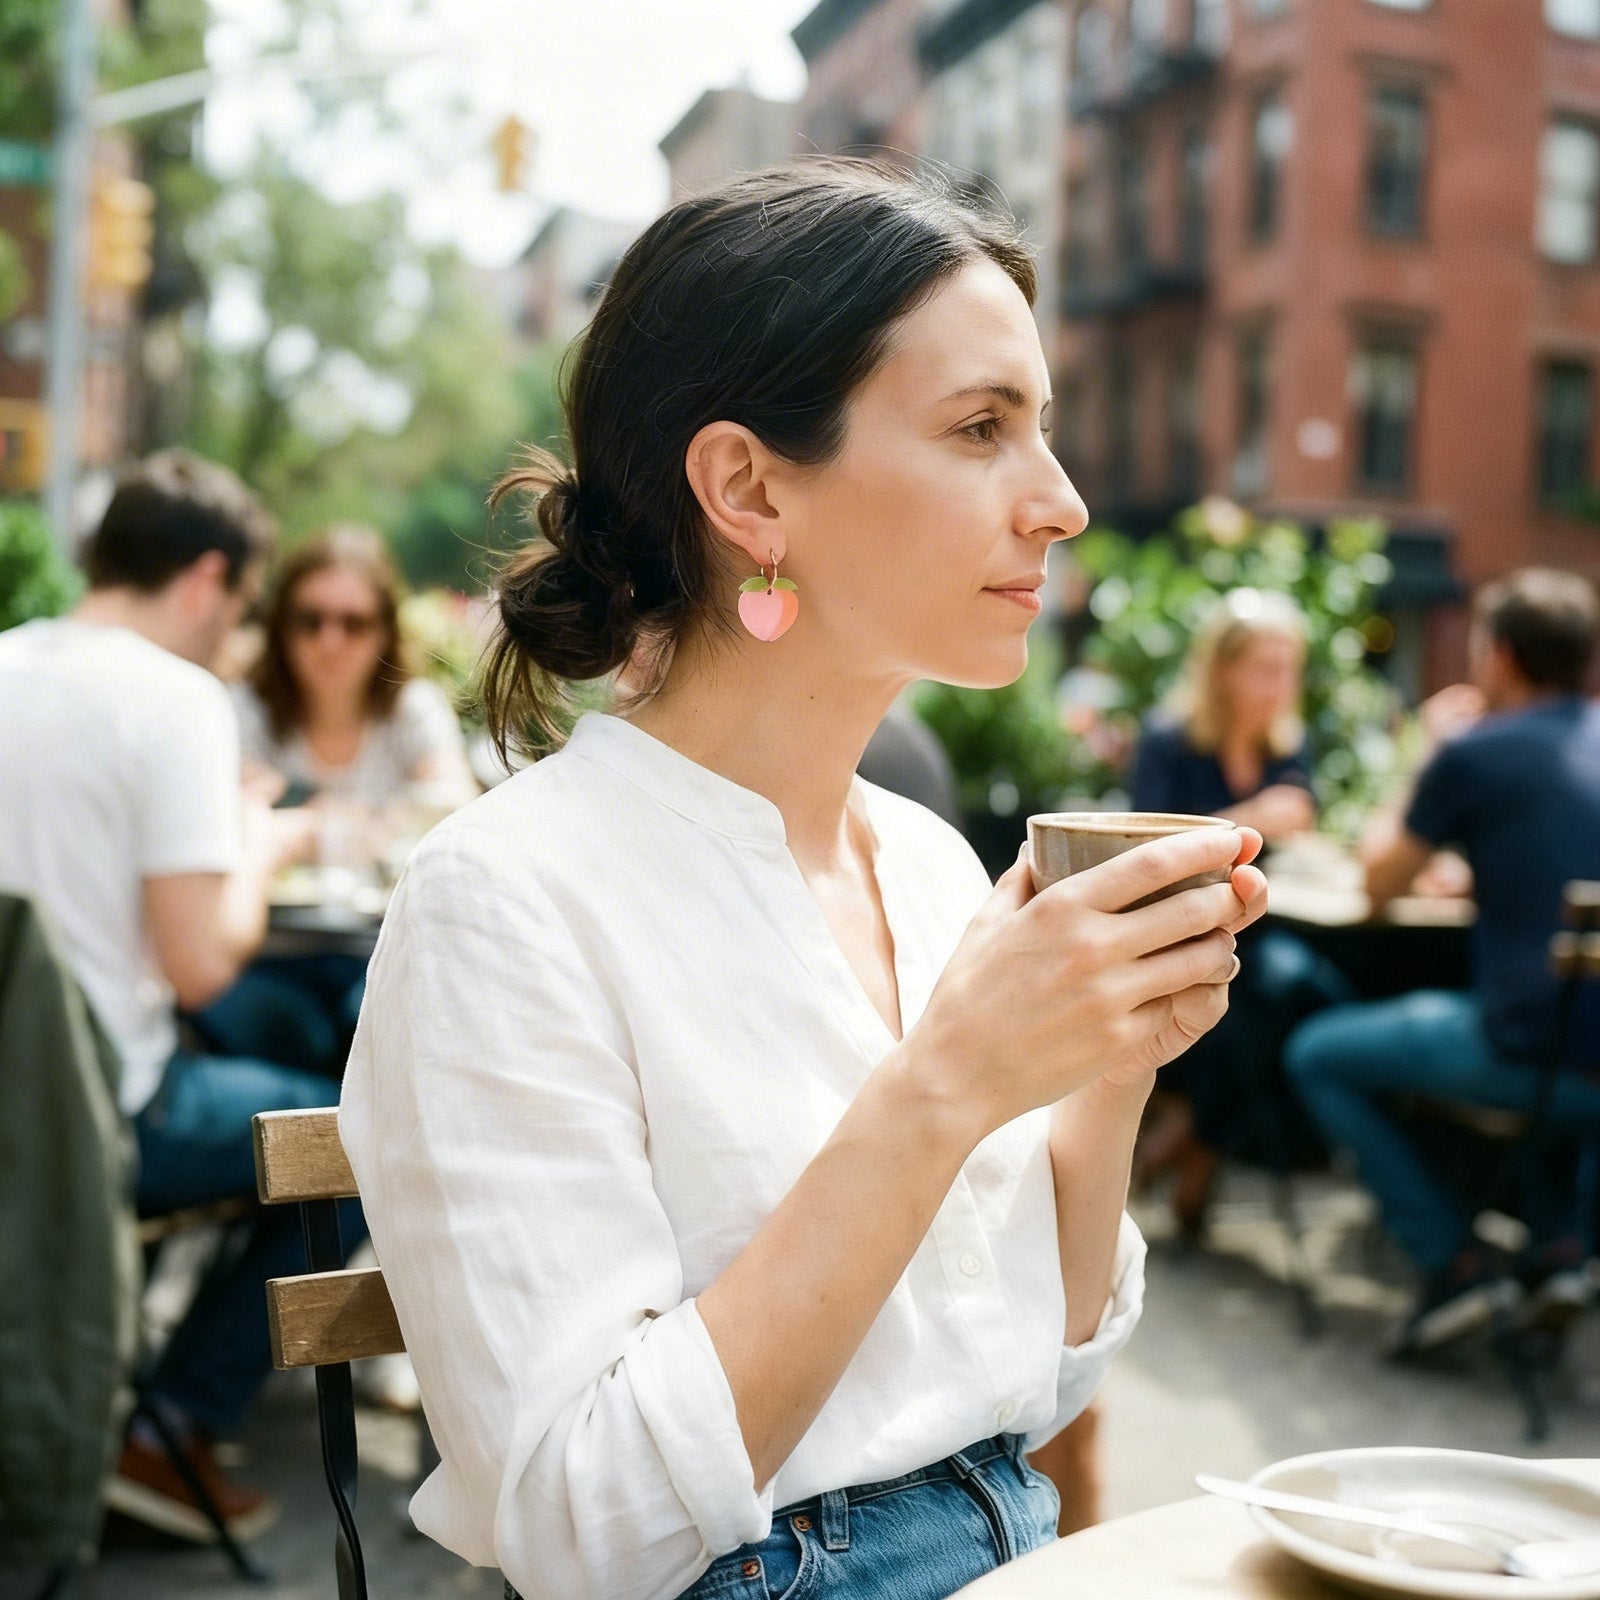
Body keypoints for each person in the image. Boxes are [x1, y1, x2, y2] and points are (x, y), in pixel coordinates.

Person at [339, 159, 1267, 1600]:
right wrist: (947, 1082)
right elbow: (586, 1530)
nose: (1065, 503)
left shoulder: (927, 859)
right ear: (749, 489)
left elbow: (1041, 1370)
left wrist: (1111, 1060)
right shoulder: (505, 901)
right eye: (981, 429)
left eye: (1045, 430)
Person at [0, 451, 346, 1540]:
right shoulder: (177, 702)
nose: (235, 631)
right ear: (206, 578)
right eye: (241, 604)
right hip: (91, 1114)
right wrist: (259, 840)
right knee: (364, 1142)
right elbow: (201, 962)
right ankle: (170, 1429)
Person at [1286, 568, 1600, 1354]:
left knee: (1317, 1052)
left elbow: (1377, 879)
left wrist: (1428, 751)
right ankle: (1559, 1247)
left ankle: (1452, 1263)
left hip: (1533, 1061)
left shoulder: (1476, 754)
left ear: (1497, 656)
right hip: (1591, 1057)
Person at [194, 526, 476, 1075]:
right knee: (279, 1033)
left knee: (389, 1027)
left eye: (355, 623)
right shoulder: (242, 710)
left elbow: (453, 810)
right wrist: (378, 821)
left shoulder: (410, 709)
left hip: (377, 953)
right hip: (266, 955)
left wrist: (303, 818)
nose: (331, 641)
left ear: (383, 631)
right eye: (310, 619)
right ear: (281, 626)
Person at [1129, 590, 1350, 1235]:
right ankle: (1201, 1147)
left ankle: (1196, 1136)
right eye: (1266, 668)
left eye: (1289, 668)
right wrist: (1252, 818)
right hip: (1186, 921)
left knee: (1307, 992)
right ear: (1222, 669)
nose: (1282, 684)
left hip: (1267, 922)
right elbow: (1149, 844)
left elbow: (1302, 829)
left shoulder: (1289, 742)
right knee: (1249, 994)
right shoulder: (1170, 741)